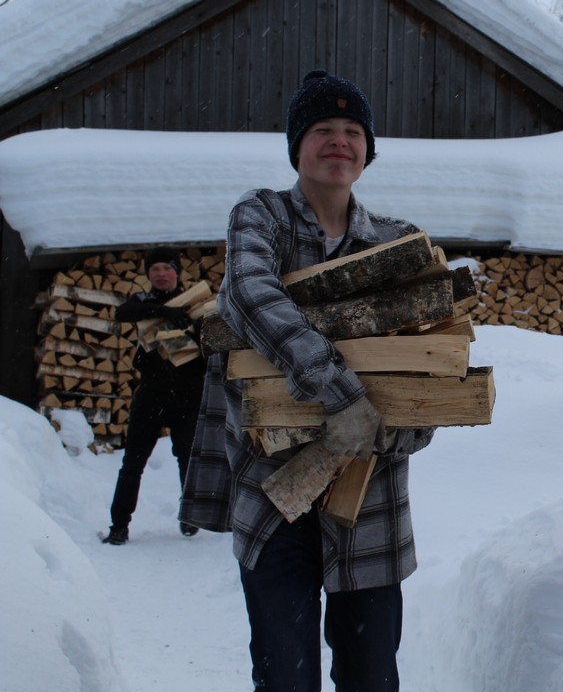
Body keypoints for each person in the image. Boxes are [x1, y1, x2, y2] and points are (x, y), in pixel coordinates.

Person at [181, 70, 434, 692]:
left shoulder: (398, 244)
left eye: (352, 131)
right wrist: (342, 393)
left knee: (370, 678)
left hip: (370, 501)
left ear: (368, 151)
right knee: (284, 675)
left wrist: (386, 431)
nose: (338, 141)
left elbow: (431, 372)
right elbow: (249, 293)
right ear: (298, 145)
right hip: (272, 493)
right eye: (323, 129)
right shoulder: (260, 216)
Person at [101, 247, 205, 545]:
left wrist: (192, 329)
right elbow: (123, 313)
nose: (161, 274)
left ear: (177, 271)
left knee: (188, 460)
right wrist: (162, 311)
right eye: (155, 270)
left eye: (166, 268)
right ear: (148, 275)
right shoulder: (142, 301)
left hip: (188, 395)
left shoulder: (195, 301)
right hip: (152, 395)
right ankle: (119, 526)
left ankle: (190, 516)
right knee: (133, 463)